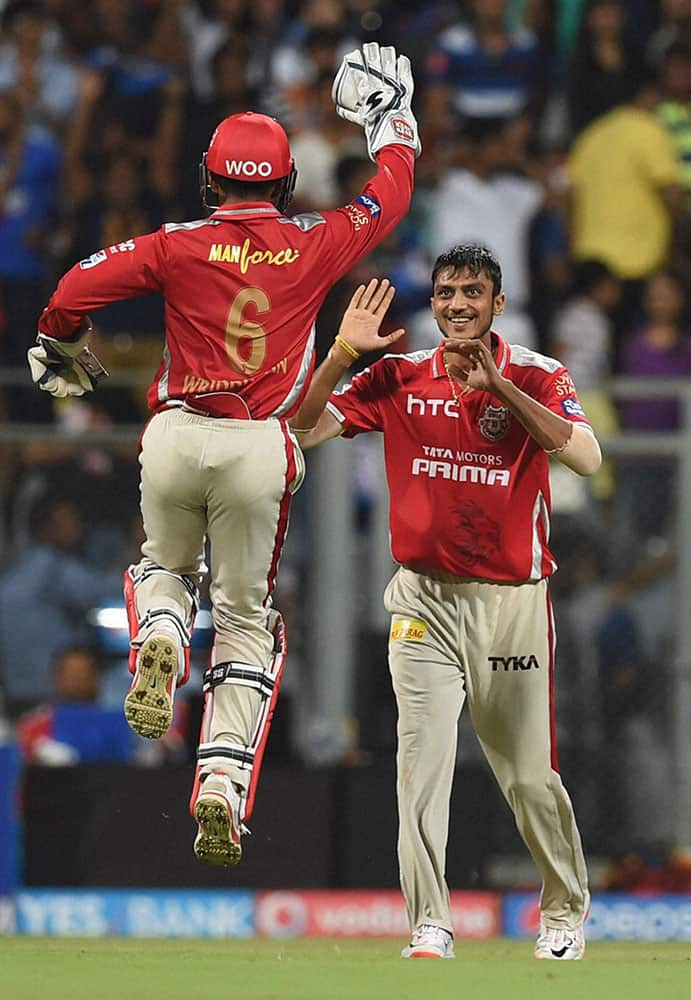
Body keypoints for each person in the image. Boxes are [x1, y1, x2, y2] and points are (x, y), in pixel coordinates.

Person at [26, 42, 420, 867]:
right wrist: (394, 127)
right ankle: (219, 786)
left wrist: (61, 343)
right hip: (257, 448)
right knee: (248, 624)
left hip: (175, 433)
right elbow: (387, 199)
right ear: (281, 183)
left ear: (212, 179)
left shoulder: (175, 244)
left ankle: (163, 631)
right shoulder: (314, 241)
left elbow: (67, 293)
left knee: (158, 568)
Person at [292, 245, 601, 960]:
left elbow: (583, 456)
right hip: (422, 601)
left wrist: (500, 391)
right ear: (431, 304)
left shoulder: (537, 373)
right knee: (419, 759)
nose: (456, 303)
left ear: (497, 304)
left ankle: (562, 912)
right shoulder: (399, 375)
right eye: (444, 293)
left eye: (472, 292)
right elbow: (301, 430)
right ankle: (430, 921)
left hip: (510, 604)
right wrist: (339, 353)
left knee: (526, 774)